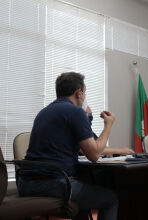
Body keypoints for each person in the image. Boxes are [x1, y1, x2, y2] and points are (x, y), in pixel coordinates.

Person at [17, 72, 118, 220]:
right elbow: (94, 155)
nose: (84, 97)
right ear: (79, 93)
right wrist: (108, 124)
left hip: (25, 184)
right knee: (111, 198)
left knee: (82, 198)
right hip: (54, 184)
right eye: (85, 92)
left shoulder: (43, 112)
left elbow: (81, 148)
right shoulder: (75, 112)